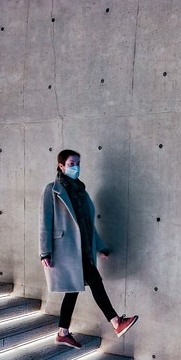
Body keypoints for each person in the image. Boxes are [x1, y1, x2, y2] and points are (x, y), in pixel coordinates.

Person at [39, 149, 138, 349]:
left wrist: (99, 246)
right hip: (66, 249)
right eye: (71, 163)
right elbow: (44, 223)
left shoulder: (81, 191)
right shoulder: (52, 190)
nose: (76, 167)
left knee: (74, 290)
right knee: (94, 281)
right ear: (61, 166)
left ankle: (63, 332)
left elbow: (87, 224)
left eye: (78, 163)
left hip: (83, 248)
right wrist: (45, 252)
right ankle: (116, 322)